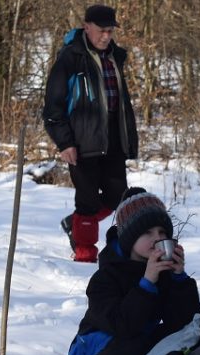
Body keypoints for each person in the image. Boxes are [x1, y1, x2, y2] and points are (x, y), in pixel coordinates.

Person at [68, 187, 200, 355]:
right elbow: (122, 324)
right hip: (93, 351)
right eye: (147, 232)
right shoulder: (106, 277)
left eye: (162, 232)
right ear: (129, 237)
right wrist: (147, 283)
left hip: (133, 341)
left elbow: (187, 323)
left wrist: (179, 279)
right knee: (133, 343)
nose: (157, 238)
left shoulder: (163, 272)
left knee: (186, 337)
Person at [43, 4, 138, 263]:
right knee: (87, 201)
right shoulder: (71, 58)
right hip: (81, 141)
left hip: (114, 140)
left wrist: (129, 138)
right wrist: (65, 142)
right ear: (87, 27)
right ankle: (84, 256)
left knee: (117, 197)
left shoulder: (115, 56)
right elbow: (53, 107)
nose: (106, 36)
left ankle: (74, 224)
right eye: (101, 31)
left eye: (110, 31)